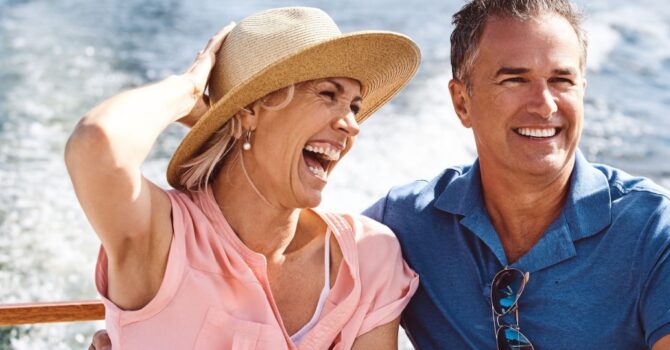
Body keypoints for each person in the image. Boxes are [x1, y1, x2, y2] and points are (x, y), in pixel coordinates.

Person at [362, 0, 670, 349]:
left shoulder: (660, 229)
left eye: (561, 80)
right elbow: (310, 249)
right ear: (462, 103)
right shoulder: (402, 223)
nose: (545, 104)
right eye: (515, 80)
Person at [68, 7, 420, 350]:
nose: (352, 124)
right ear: (250, 109)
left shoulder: (369, 256)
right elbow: (96, 143)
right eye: (328, 94)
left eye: (354, 106)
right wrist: (187, 91)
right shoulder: (163, 237)